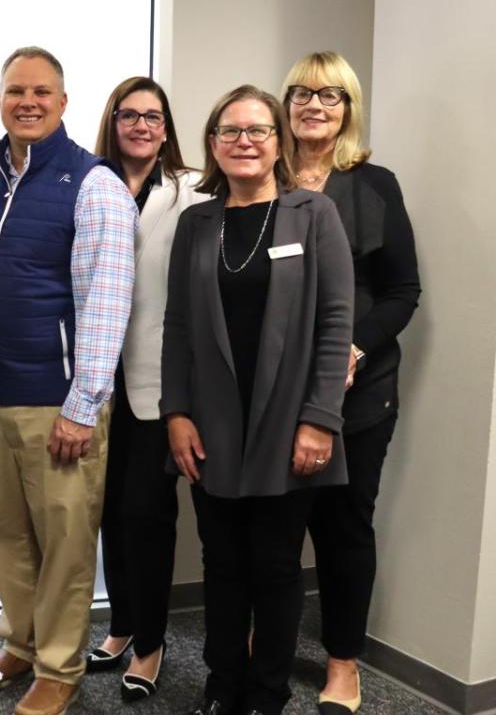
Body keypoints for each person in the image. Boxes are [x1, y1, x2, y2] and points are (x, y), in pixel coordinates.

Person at [0, 47, 137, 715]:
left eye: (40, 92)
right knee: (5, 536)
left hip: (58, 404)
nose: (26, 102)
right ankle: (23, 645)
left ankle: (59, 667)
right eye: (14, 91)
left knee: (63, 541)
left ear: (64, 102)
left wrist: (82, 405)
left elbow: (106, 302)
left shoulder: (95, 185)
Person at [162, 85, 354, 715]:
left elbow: (335, 322)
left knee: (275, 566)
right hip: (212, 421)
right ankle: (224, 681)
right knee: (222, 564)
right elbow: (179, 328)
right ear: (213, 146)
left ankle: (267, 690)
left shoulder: (313, 215)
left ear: (278, 142)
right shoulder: (197, 223)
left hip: (288, 421)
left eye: (259, 131)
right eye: (231, 132)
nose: (245, 142)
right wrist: (176, 413)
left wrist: (320, 420)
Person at [282, 52, 420, 715]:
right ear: (285, 104)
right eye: (303, 93)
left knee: (343, 527)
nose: (315, 105)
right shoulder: (260, 177)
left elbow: (402, 291)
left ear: (349, 108)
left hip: (357, 393)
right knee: (271, 524)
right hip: (272, 392)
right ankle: (267, 644)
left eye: (331, 96)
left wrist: (354, 347)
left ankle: (341, 662)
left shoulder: (375, 184)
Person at [85, 77, 208, 701]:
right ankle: (122, 623)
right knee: (106, 512)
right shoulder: (88, 183)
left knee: (147, 514)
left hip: (160, 382)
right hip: (92, 378)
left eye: (152, 116)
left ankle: (153, 643)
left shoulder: (192, 190)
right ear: (113, 121)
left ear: (166, 126)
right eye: (128, 114)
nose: (140, 125)